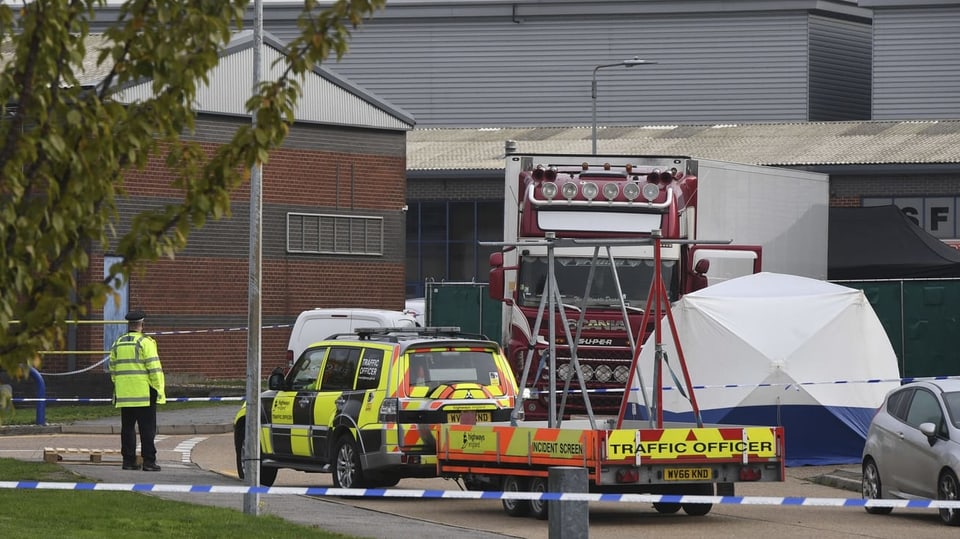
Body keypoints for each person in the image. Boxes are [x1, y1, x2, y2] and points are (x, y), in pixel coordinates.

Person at [109, 310, 166, 471]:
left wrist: (120, 385)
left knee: (127, 428)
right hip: (144, 394)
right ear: (142, 324)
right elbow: (154, 368)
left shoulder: (118, 342)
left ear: (129, 325)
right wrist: (159, 389)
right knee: (147, 429)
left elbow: (112, 368)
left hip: (124, 394)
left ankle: (128, 461)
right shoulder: (146, 342)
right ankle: (149, 461)